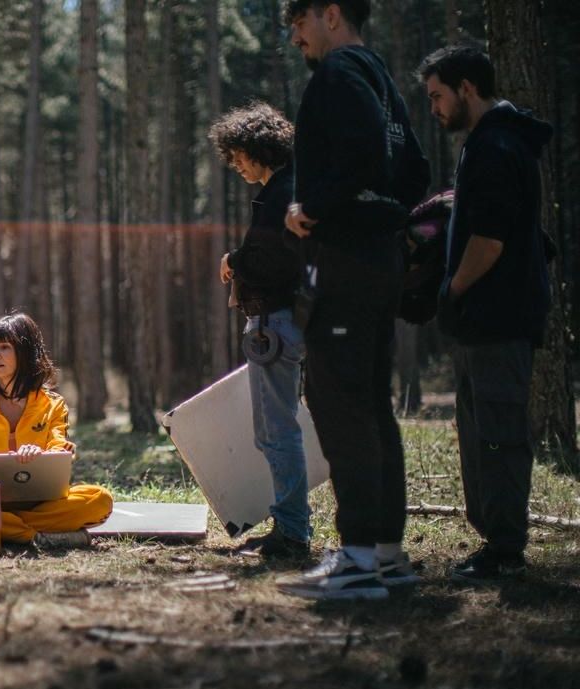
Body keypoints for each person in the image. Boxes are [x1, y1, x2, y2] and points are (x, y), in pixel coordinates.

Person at [277, 0, 430, 600]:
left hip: (342, 263)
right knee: (371, 404)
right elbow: (413, 169)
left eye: (299, 23)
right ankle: (387, 556)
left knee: (339, 405)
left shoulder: (339, 75)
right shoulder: (382, 79)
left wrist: (310, 209)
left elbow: (366, 155)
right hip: (379, 263)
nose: (295, 37)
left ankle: (359, 561)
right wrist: (386, 216)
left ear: (331, 13)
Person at [419, 45, 552, 583]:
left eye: (437, 96)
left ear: (467, 88)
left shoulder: (497, 145)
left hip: (498, 316)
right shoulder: (489, 142)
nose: (434, 107)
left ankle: (506, 552)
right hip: (484, 319)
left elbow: (490, 241)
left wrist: (452, 289)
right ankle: (496, 544)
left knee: (498, 435)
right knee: (481, 432)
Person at [208, 103, 310, 558]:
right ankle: (291, 525)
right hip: (281, 321)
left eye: (238, 156)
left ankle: (291, 531)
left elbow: (274, 260)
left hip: (275, 323)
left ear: (256, 149)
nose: (237, 166)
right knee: (275, 429)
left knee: (276, 430)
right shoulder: (286, 190)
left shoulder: (279, 195)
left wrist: (235, 261)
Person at [0, 313, 113, 549]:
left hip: (42, 503)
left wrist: (41, 454)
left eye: (4, 347)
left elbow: (60, 448)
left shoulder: (53, 404)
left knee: (100, 500)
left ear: (25, 353)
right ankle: (37, 536)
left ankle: (1, 529)